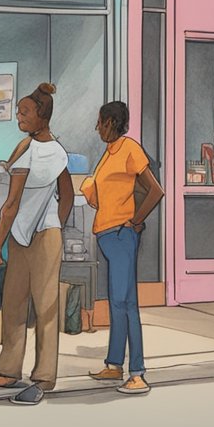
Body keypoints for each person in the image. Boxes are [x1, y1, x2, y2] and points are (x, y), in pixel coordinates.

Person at [0, 84, 74, 405]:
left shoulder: (28, 152)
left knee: (30, 306)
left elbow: (10, 205)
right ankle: (12, 371)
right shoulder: (55, 150)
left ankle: (39, 377)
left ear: (41, 115)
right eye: (18, 110)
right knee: (28, 304)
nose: (19, 116)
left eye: (24, 112)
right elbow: (67, 195)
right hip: (42, 235)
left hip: (26, 236)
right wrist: (53, 221)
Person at [83, 101, 164, 396]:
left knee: (125, 303)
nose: (97, 127)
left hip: (121, 235)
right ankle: (114, 364)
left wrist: (136, 220)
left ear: (110, 122)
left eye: (100, 122)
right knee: (118, 303)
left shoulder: (130, 149)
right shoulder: (109, 153)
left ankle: (138, 373)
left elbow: (155, 190)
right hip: (108, 234)